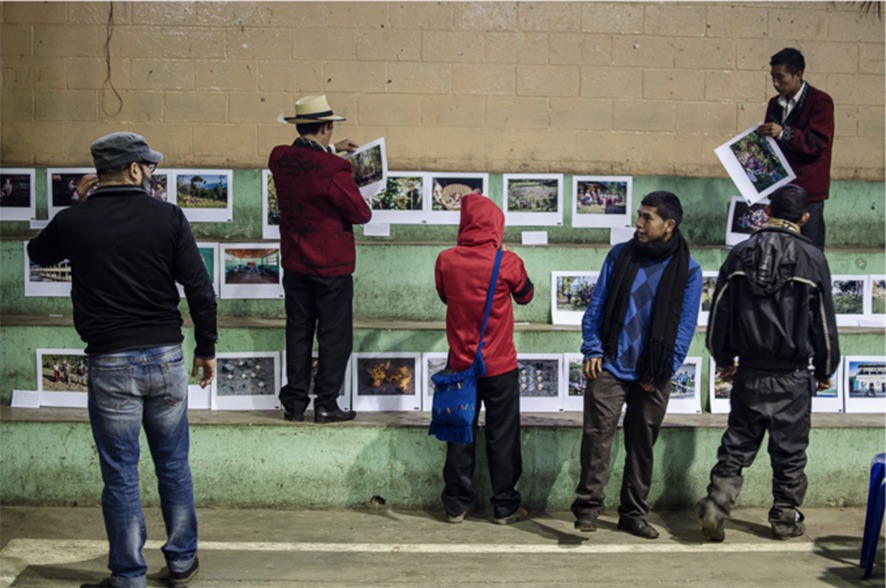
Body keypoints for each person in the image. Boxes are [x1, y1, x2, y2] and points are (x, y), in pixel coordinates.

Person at [27, 131, 217, 588]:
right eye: (148, 167)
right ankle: (181, 560)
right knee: (173, 464)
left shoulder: (77, 221)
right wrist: (206, 349)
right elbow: (200, 291)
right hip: (168, 359)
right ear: (135, 169)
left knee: (120, 473)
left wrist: (77, 206)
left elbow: (37, 253)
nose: (151, 174)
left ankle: (128, 575)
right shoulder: (169, 217)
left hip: (111, 364)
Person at [696, 184, 840, 542]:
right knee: (790, 451)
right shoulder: (813, 258)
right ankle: (784, 518)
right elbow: (823, 322)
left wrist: (724, 358)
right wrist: (825, 369)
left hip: (750, 372)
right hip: (791, 376)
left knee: (738, 443)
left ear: (766, 211)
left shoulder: (740, 254)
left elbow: (720, 314)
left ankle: (717, 504)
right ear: (804, 218)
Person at [571, 191, 702, 539]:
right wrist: (592, 348)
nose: (639, 224)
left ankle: (632, 514)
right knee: (597, 438)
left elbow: (685, 327)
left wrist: (661, 371)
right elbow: (596, 306)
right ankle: (587, 509)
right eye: (639, 216)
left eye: (647, 218)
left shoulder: (688, 270)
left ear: (669, 225)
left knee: (642, 445)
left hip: (653, 373)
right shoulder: (619, 255)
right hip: (610, 366)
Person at [269, 95, 371, 424]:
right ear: (327, 127)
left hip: (295, 262)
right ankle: (326, 403)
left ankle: (295, 404)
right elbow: (360, 213)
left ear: (298, 126)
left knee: (298, 331)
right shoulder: (334, 169)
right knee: (334, 335)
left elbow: (306, 164)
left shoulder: (280, 158)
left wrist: (330, 151)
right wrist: (337, 161)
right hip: (331, 267)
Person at [434, 194, 534, 525]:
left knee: (459, 432)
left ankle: (456, 505)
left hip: (459, 364)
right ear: (495, 226)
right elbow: (525, 295)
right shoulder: (508, 262)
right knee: (502, 435)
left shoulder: (446, 260)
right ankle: (505, 507)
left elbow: (445, 296)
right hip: (500, 364)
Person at [756, 48, 834, 250]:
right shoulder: (775, 104)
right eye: (772, 77)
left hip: (808, 192)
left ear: (798, 75)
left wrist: (783, 133)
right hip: (779, 190)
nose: (775, 84)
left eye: (780, 77)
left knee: (809, 250)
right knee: (776, 248)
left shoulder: (820, 102)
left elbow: (817, 143)